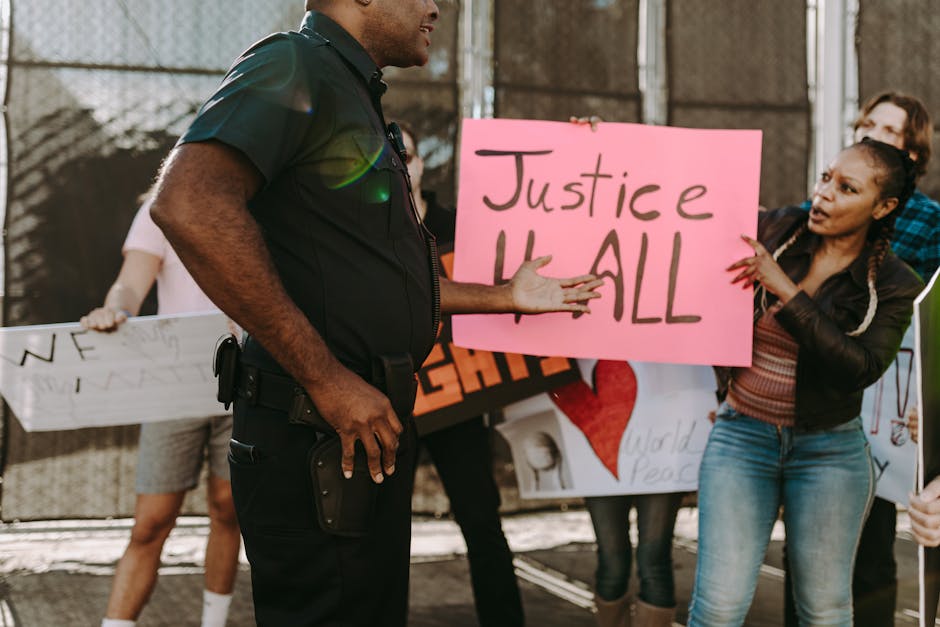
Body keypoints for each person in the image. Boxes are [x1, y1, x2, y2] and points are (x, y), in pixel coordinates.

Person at [146, 2, 603, 625]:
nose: (437, 6)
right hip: (315, 431)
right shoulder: (294, 63)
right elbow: (189, 204)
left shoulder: (349, 88)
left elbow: (372, 281)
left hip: (355, 433)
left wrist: (504, 296)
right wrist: (327, 380)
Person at [687, 138, 923, 626]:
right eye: (824, 178)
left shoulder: (897, 284)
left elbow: (859, 367)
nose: (823, 195)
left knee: (823, 611)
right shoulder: (775, 230)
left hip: (830, 453)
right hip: (741, 436)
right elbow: (685, 214)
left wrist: (784, 289)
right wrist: (602, 143)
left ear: (884, 207)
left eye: (846, 188)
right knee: (718, 607)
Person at [783, 90, 940, 627]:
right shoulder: (818, 211)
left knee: (871, 545)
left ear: (912, 154)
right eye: (867, 123)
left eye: (889, 131)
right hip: (820, 396)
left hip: (886, 407)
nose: (871, 134)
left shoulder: (932, 225)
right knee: (803, 546)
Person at [84, 194, 241, 627]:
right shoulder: (163, 205)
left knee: (229, 509)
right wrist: (115, 311)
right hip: (174, 385)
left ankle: (215, 621)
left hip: (247, 382)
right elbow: (130, 283)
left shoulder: (268, 198)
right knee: (150, 522)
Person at [399, 121, 525, 627]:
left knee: (481, 521)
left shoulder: (461, 227)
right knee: (385, 533)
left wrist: (584, 145)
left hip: (458, 398)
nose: (399, 163)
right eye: (387, 154)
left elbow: (532, 239)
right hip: (394, 401)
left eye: (405, 153)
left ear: (420, 162)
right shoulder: (368, 227)